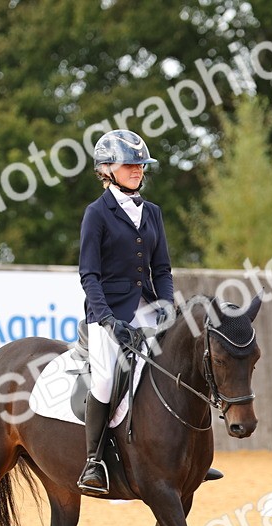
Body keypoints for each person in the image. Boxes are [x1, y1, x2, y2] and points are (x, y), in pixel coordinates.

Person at [76, 129, 175, 496]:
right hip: (108, 312)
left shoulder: (153, 213)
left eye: (141, 165)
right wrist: (108, 320)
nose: (137, 170)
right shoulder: (96, 214)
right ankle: (94, 461)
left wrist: (167, 306)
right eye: (130, 164)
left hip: (146, 307)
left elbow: (161, 269)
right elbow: (89, 274)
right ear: (107, 169)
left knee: (181, 360)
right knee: (105, 380)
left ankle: (186, 453)